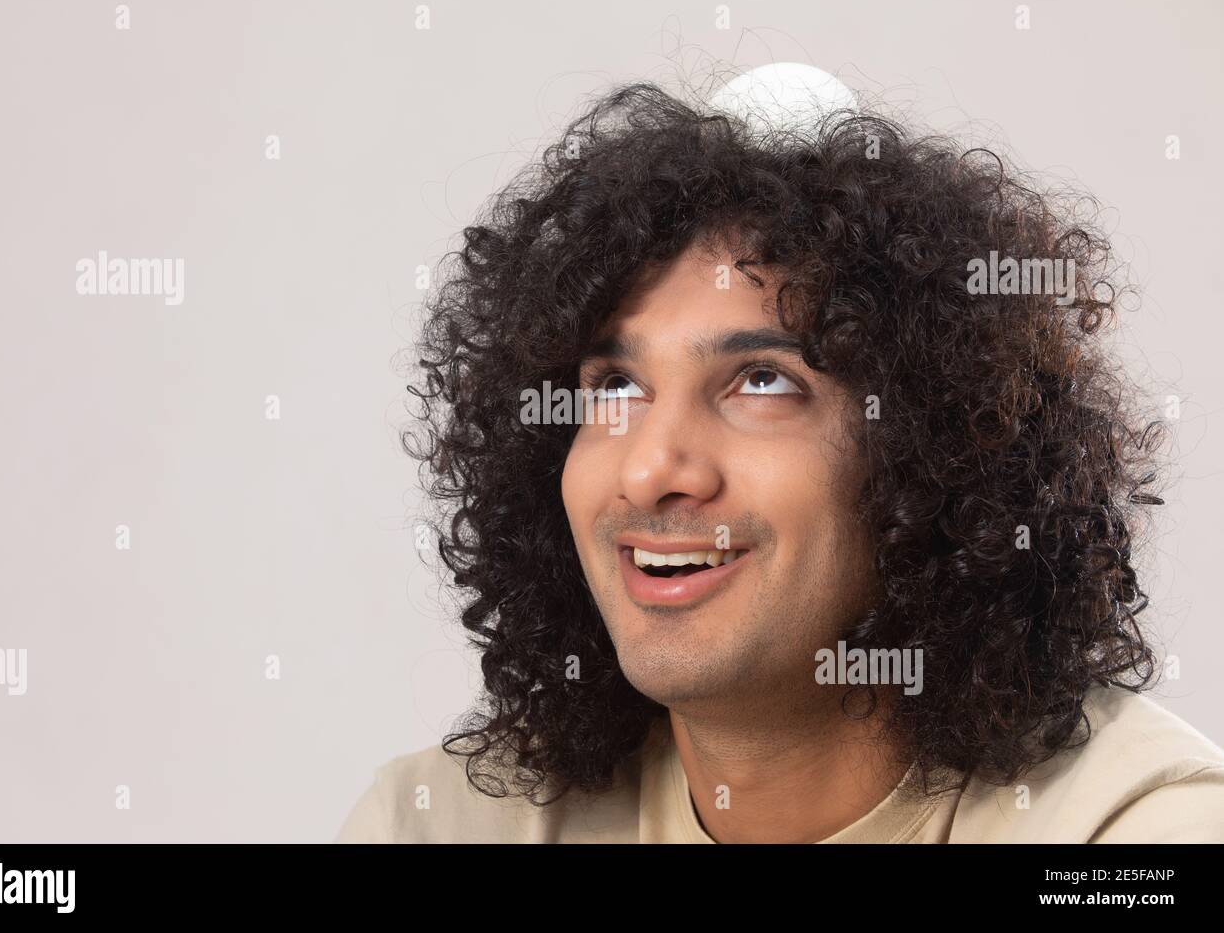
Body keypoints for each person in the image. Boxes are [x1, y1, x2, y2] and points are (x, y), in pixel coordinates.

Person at [337, 78, 1224, 843]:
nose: (651, 471)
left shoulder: (1132, 830)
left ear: (936, 456)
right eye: (613, 387)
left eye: (760, 382)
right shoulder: (439, 824)